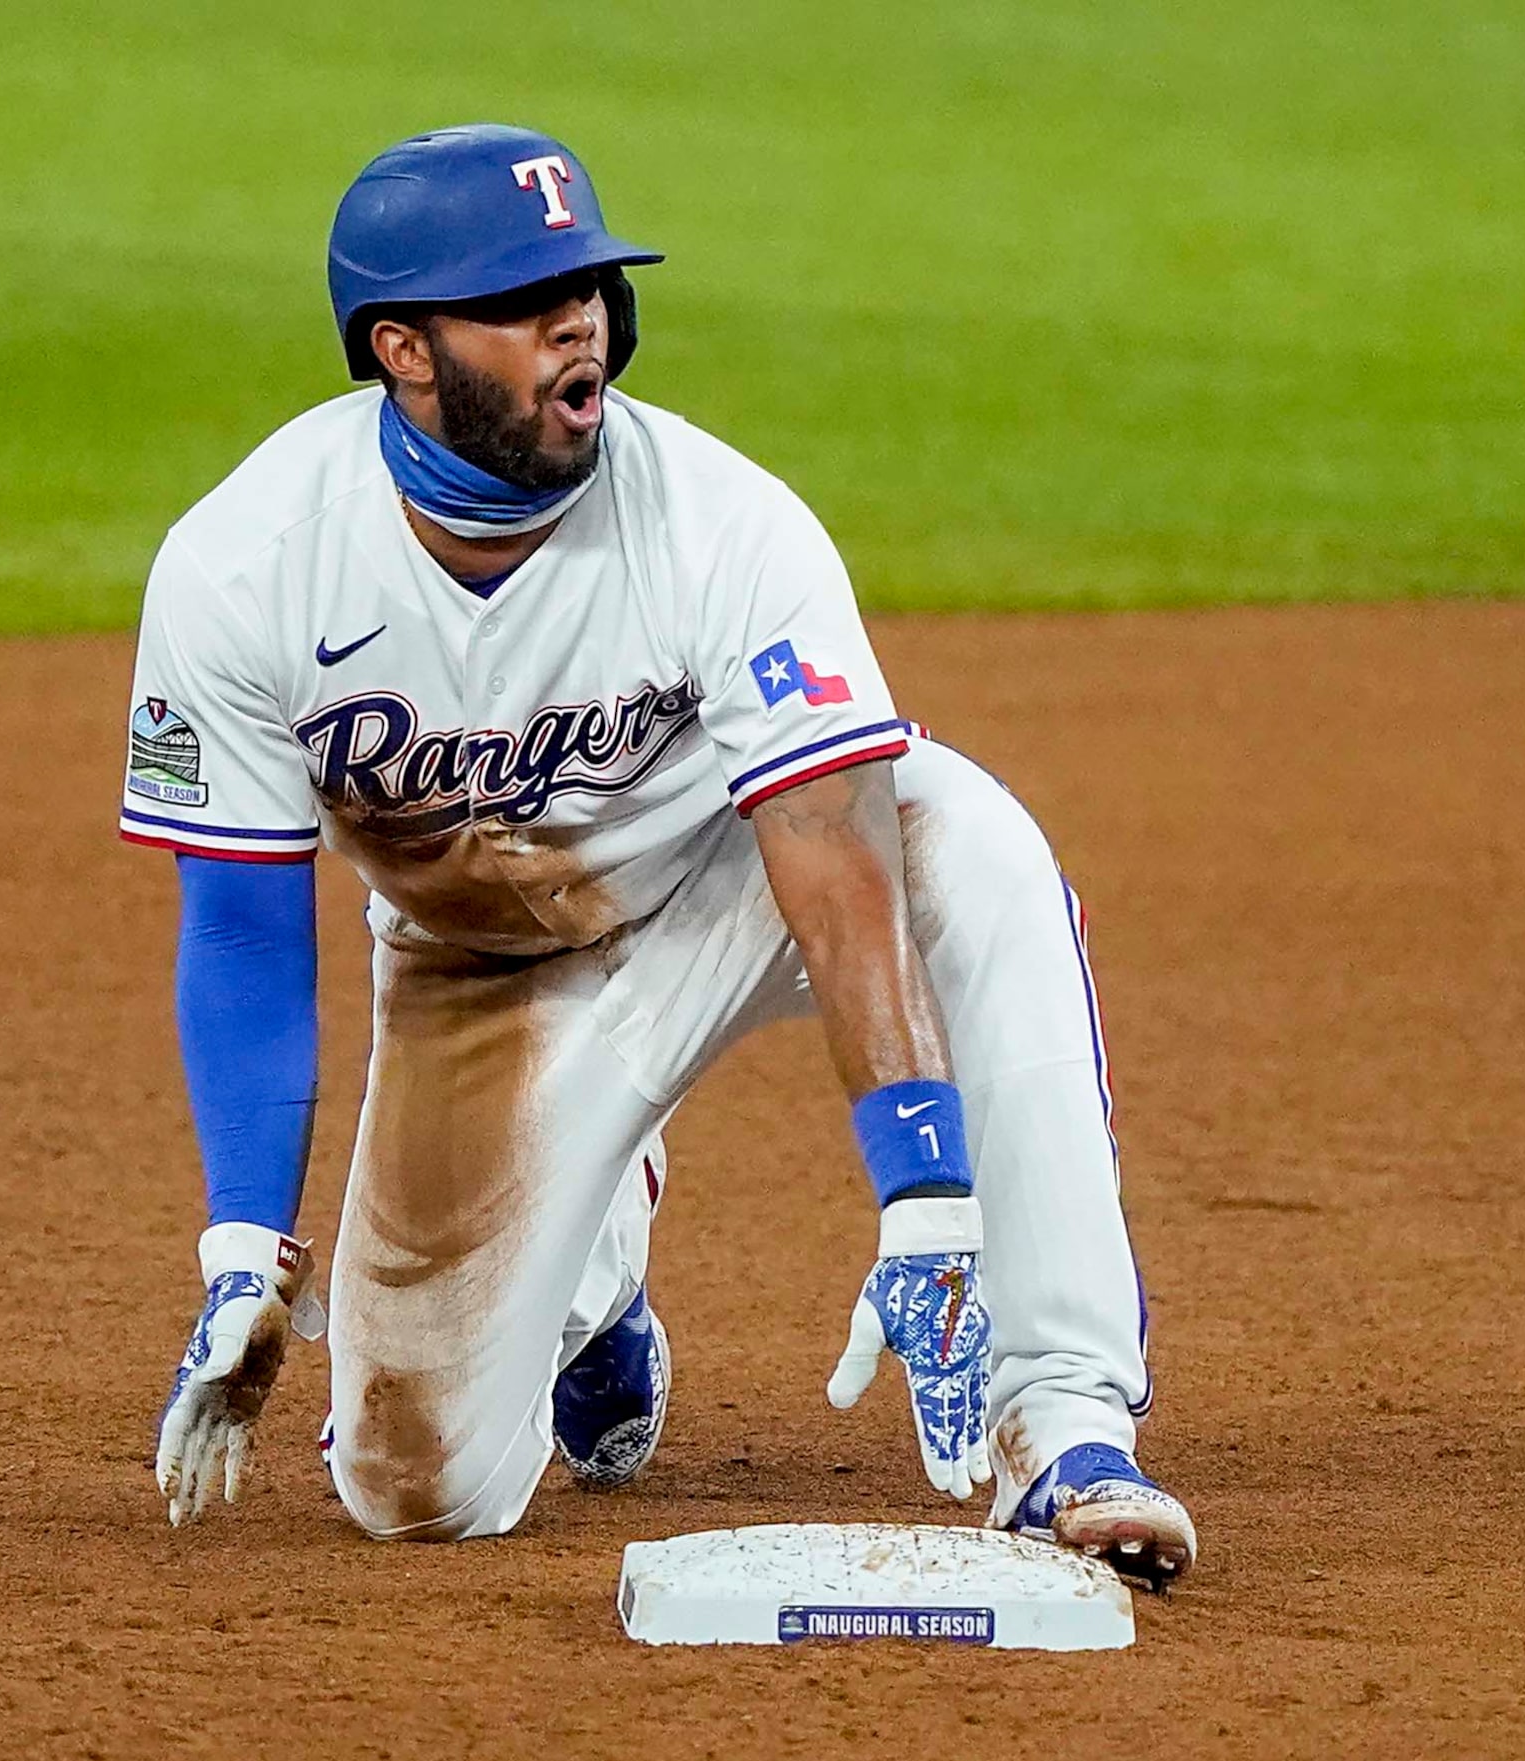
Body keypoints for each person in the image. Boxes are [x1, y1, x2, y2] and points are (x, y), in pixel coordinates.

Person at [121, 124, 1193, 1583]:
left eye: (589, 283)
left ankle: (1063, 1422)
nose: (579, 318)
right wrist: (243, 1248)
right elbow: (244, 928)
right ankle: (595, 1272)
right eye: (521, 297)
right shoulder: (245, 565)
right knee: (412, 1490)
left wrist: (925, 1193)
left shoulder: (722, 522)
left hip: (733, 881)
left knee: (970, 842)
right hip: (479, 982)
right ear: (402, 351)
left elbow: (831, 844)